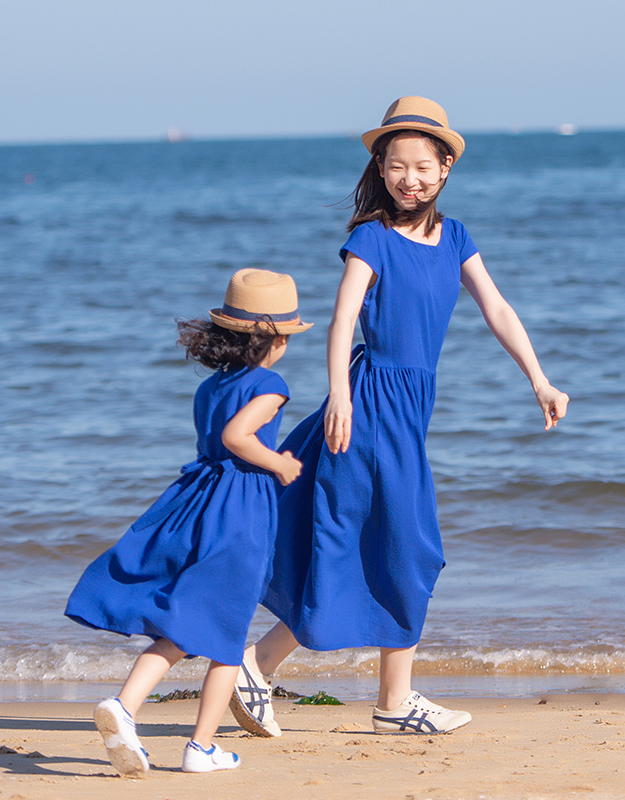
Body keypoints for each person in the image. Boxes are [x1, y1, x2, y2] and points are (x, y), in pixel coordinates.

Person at [230, 97, 570, 737]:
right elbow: (342, 319)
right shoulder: (371, 237)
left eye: (421, 166)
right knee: (405, 546)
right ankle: (293, 670)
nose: (408, 178)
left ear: (445, 168)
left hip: (411, 409)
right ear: (380, 171)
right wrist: (339, 395)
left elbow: (497, 309)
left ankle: (361, 691)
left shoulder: (457, 237)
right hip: (370, 404)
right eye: (395, 166)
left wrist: (540, 379)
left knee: (390, 545)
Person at [65, 268, 312, 775]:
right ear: (278, 340)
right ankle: (200, 747)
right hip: (240, 510)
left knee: (183, 623)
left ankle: (126, 706)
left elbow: (214, 439)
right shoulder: (271, 384)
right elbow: (237, 439)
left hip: (198, 498)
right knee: (226, 632)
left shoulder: (212, 387)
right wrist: (281, 463)